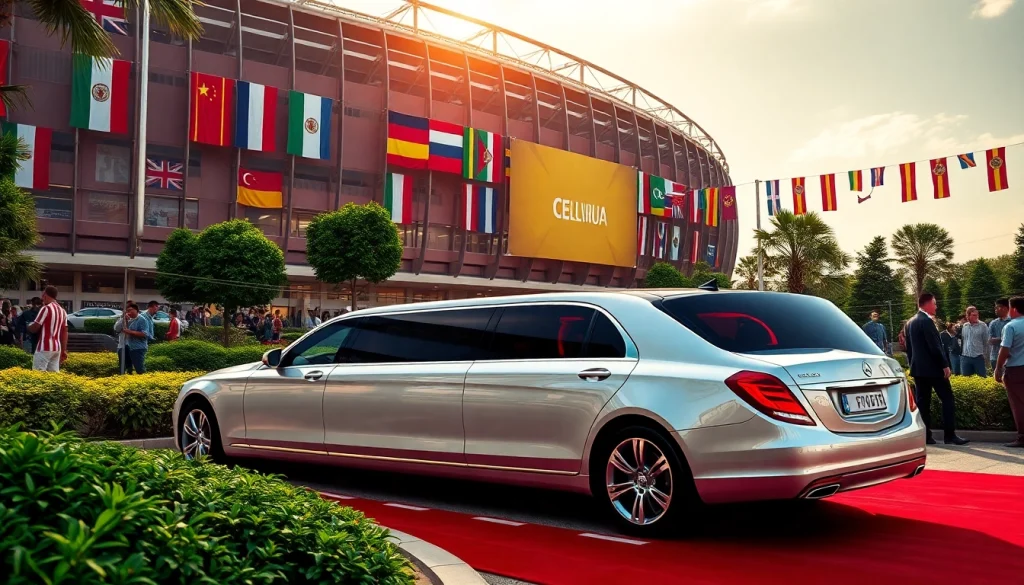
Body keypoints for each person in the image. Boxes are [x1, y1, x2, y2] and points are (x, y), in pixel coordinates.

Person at [906, 293, 969, 446]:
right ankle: (950, 435)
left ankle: (926, 436)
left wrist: (912, 364)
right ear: (927, 304)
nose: (936, 306)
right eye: (934, 303)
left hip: (918, 370)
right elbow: (935, 346)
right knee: (948, 399)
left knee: (923, 403)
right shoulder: (926, 321)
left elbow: (908, 348)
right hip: (934, 369)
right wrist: (944, 365)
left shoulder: (910, 322)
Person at [995, 297, 1024, 448]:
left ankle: (1022, 437)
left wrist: (998, 368)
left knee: (1018, 405)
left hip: (1016, 370)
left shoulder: (1011, 326)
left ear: (1013, 309)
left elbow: (1004, 349)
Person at [27, 286, 68, 372]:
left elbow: (35, 327)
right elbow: (64, 332)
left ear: (45, 295)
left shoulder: (46, 308)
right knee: (53, 377)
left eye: (43, 295)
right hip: (57, 348)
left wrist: (28, 326)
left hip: (44, 347)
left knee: (38, 374)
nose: (42, 298)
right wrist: (64, 350)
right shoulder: (62, 311)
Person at [123, 301, 157, 374]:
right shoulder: (131, 319)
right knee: (129, 368)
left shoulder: (142, 319)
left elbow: (145, 334)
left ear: (136, 310)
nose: (128, 312)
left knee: (140, 369)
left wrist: (130, 332)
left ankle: (144, 381)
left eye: (130, 310)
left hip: (138, 348)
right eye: (127, 311)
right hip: (130, 346)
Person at [960, 306, 989, 377]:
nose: (976, 317)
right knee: (966, 380)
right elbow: (964, 340)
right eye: (974, 315)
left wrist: (985, 356)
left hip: (978, 357)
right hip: (965, 357)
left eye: (977, 315)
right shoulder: (965, 326)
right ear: (968, 316)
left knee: (982, 378)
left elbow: (987, 342)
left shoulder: (983, 326)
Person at [989, 298, 1011, 372]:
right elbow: (990, 340)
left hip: (1010, 357)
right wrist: (1005, 339)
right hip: (995, 356)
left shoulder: (1012, 322)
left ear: (1004, 308)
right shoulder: (993, 323)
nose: (995, 309)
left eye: (997, 307)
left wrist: (998, 339)